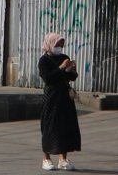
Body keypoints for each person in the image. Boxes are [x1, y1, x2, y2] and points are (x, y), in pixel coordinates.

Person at [38, 32, 81, 171]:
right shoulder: (44, 61)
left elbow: (71, 77)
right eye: (57, 45)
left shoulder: (64, 57)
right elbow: (48, 78)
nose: (59, 47)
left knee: (65, 126)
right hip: (51, 97)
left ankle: (63, 159)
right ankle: (46, 159)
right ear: (50, 44)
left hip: (64, 97)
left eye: (61, 45)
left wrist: (72, 70)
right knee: (49, 126)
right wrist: (61, 68)